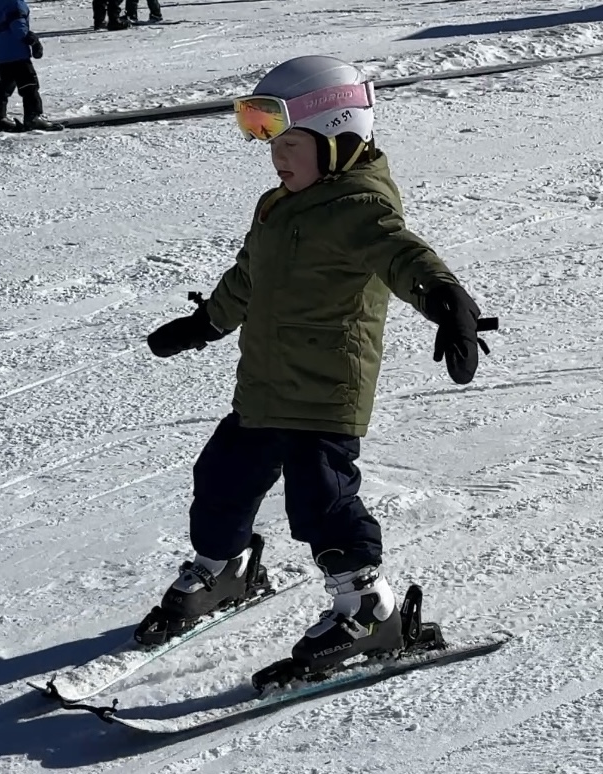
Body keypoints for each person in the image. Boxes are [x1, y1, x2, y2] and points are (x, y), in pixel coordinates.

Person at [141, 55, 496, 674]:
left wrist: (447, 301)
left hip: (327, 392)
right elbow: (249, 276)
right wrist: (208, 322)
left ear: (339, 141)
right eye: (271, 143)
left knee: (321, 502)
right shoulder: (277, 205)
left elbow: (404, 256)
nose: (276, 157)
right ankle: (224, 570)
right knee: (220, 480)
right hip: (264, 388)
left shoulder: (360, 207)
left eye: (292, 145)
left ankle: (370, 609)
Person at [0, 0, 62, 131]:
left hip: (1, 53)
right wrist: (33, 41)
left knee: (6, 83)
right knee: (29, 84)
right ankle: (33, 117)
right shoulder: (14, 3)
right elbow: (18, 25)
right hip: (16, 52)